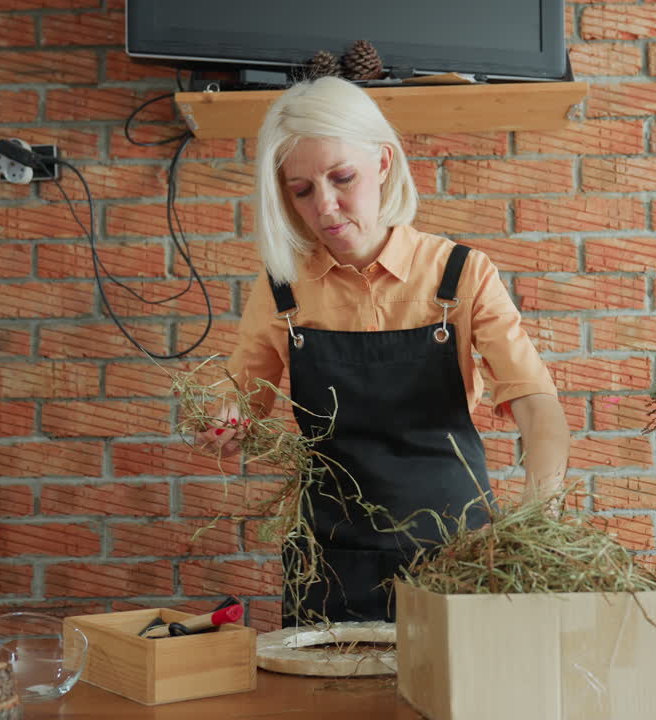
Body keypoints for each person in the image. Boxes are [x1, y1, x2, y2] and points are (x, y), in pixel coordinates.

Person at [197, 76, 569, 626]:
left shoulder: (459, 275)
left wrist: (536, 519)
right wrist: (220, 421)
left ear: (383, 164)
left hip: (456, 557)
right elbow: (237, 401)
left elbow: (539, 406)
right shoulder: (283, 290)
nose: (325, 206)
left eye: (341, 177)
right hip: (329, 565)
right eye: (301, 190)